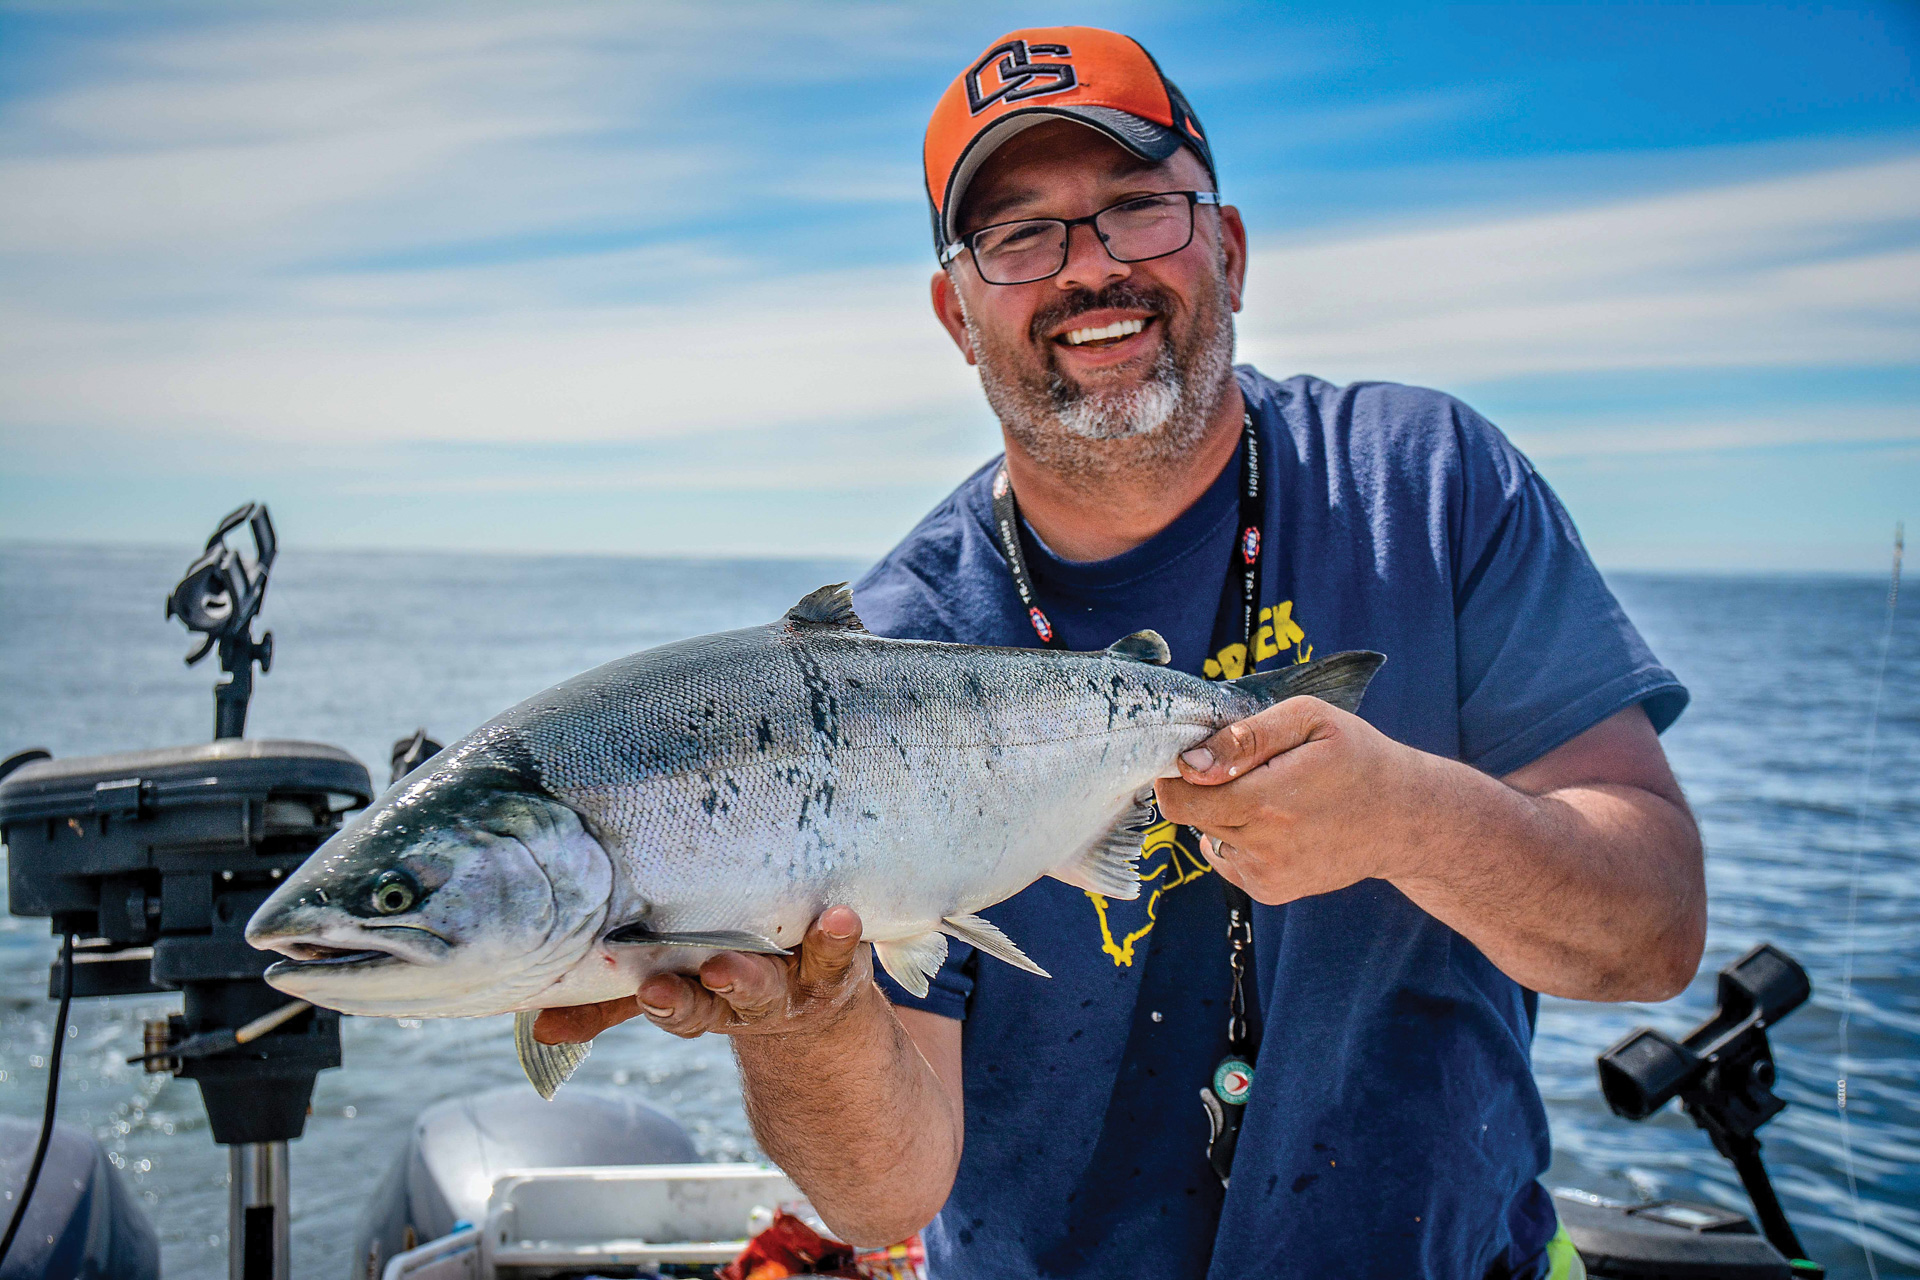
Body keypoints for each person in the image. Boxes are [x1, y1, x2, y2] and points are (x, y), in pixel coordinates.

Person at [537, 27, 1705, 1279]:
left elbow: (1652, 936)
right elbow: (887, 1191)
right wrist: (804, 1022)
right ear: (956, 312)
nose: (1089, 269)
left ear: (1232, 249)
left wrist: (1411, 820)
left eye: (1140, 208)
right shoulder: (880, 661)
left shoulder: (1423, 484)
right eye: (1018, 234)